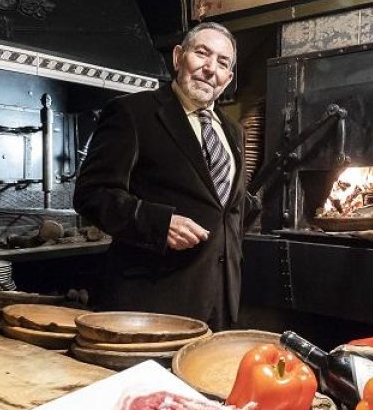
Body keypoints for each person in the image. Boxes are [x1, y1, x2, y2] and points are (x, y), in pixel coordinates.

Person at [74, 22, 259, 331]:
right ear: (178, 57)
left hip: (219, 302)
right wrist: (159, 224)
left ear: (227, 78)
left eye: (222, 62)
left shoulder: (234, 131)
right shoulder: (133, 113)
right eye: (202, 53)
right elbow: (91, 194)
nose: (210, 68)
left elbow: (225, 209)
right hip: (152, 301)